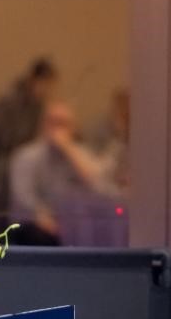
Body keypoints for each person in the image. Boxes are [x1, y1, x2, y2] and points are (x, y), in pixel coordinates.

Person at [0, 57, 59, 235]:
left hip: (18, 164)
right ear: (35, 80)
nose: (48, 91)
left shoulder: (36, 106)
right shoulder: (9, 103)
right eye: (46, 84)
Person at [8, 101, 115, 245]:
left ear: (74, 128)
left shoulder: (80, 155)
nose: (57, 129)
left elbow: (98, 185)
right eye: (52, 122)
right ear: (43, 125)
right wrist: (42, 217)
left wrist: (68, 149)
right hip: (34, 226)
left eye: (63, 124)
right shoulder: (26, 156)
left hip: (74, 225)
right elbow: (23, 198)